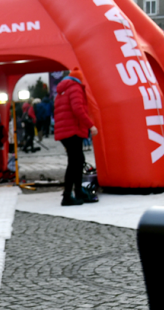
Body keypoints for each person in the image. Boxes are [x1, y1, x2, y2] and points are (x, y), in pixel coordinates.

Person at [54, 67, 98, 206]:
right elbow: (78, 109)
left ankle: (77, 192)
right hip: (72, 130)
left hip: (65, 130)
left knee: (77, 160)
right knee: (74, 162)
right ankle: (68, 195)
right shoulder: (75, 88)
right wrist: (90, 125)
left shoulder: (63, 89)